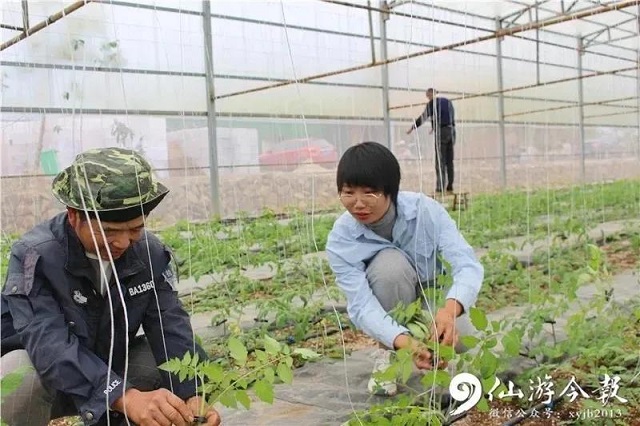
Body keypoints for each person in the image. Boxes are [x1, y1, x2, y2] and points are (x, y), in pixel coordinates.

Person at [0, 147, 221, 426]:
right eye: (109, 231)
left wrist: (193, 392)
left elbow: (170, 324)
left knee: (160, 362)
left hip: (110, 369)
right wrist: (124, 396)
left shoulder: (149, 253)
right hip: (50, 378)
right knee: (18, 374)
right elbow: (49, 345)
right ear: (73, 215)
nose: (123, 243)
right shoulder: (36, 256)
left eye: (136, 229)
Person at [325, 142, 483, 396]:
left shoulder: (425, 212)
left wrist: (449, 311)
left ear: (391, 191)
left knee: (461, 340)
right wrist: (402, 342)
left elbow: (467, 265)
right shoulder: (341, 239)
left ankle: (433, 338)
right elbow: (362, 305)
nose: (358, 203)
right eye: (348, 193)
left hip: (435, 298)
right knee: (389, 266)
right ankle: (388, 355)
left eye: (369, 193)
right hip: (394, 300)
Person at [406, 88, 456, 193]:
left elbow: (423, 117)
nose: (428, 98)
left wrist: (413, 127)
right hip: (451, 131)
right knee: (449, 161)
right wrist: (434, 127)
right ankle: (450, 185)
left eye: (428, 96)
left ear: (430, 94)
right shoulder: (447, 102)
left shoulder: (432, 104)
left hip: (441, 133)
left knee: (440, 160)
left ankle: (440, 187)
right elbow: (448, 117)